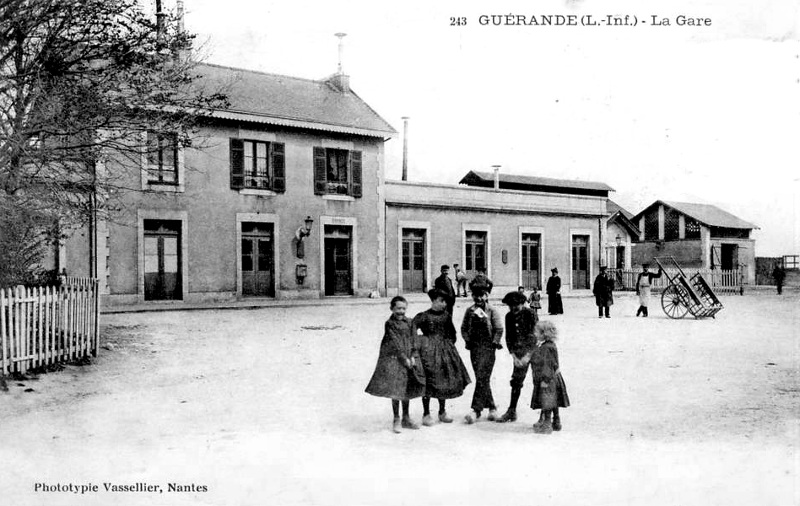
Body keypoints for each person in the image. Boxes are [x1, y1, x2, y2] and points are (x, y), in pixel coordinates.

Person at [365, 296, 425, 433]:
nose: (401, 311)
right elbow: (394, 343)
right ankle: (396, 418)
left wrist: (413, 355)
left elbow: (414, 339)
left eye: (403, 308)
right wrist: (404, 358)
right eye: (398, 308)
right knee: (396, 389)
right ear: (392, 308)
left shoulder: (410, 322)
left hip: (409, 358)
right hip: (395, 360)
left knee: (407, 388)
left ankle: (406, 417)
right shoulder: (389, 324)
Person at [413, 289, 472, 426]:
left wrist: (448, 345)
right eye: (441, 301)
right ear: (433, 301)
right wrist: (422, 342)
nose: (444, 304)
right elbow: (412, 329)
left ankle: (442, 412)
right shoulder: (424, 316)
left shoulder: (446, 316)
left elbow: (452, 333)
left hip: (444, 352)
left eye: (446, 301)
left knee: (444, 379)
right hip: (427, 353)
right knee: (428, 381)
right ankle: (426, 413)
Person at [460, 288, 504, 424]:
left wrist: (495, 342)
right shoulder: (469, 310)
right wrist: (468, 340)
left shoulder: (492, 310)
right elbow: (463, 328)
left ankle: (476, 410)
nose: (478, 298)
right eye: (475, 295)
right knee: (482, 377)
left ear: (486, 296)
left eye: (481, 295)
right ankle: (491, 408)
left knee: (483, 377)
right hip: (475, 348)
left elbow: (499, 329)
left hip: (488, 347)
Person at [496, 291, 538, 423]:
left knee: (541, 382)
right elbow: (509, 338)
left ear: (523, 304)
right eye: (510, 306)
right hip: (519, 353)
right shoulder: (509, 316)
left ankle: (547, 415)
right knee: (516, 382)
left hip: (535, 352)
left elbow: (535, 335)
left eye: (516, 306)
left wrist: (528, 355)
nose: (513, 309)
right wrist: (514, 355)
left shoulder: (530, 314)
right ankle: (512, 411)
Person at [530, 320, 570, 434]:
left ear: (544, 334)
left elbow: (547, 365)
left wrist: (545, 380)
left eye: (537, 332)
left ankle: (547, 424)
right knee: (555, 400)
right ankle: (556, 421)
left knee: (547, 401)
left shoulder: (545, 348)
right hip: (556, 377)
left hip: (548, 379)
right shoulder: (550, 345)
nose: (535, 334)